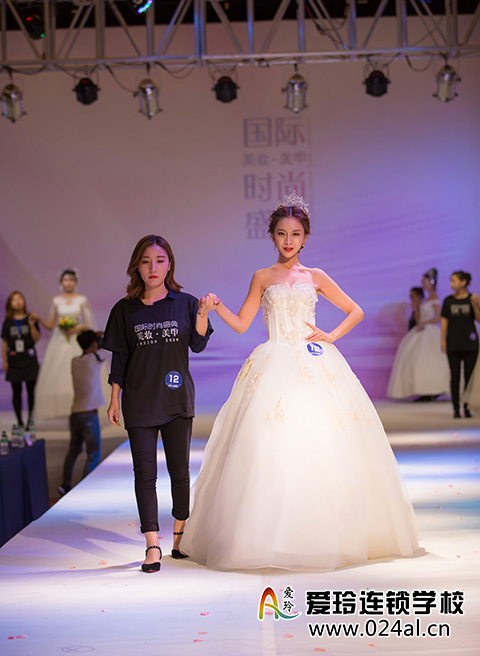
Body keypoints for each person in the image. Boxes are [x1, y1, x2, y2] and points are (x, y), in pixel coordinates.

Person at [180, 192, 420, 571]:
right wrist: (216, 307)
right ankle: (267, 536)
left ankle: (327, 533)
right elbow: (242, 324)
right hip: (273, 361)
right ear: (272, 236)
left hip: (314, 363)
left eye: (295, 234)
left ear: (305, 237)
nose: (288, 240)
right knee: (269, 444)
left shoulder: (316, 277)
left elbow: (355, 310)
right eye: (281, 233)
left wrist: (332, 335)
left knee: (322, 440)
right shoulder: (262, 277)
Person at [102, 235, 214, 573]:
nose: (153, 268)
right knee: (145, 475)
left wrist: (203, 314)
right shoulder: (124, 310)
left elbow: (198, 345)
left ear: (170, 265)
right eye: (146, 261)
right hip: (139, 401)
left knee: (180, 472)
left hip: (177, 399)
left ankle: (179, 536)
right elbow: (120, 358)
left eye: (160, 261)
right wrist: (114, 398)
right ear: (136, 266)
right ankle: (152, 543)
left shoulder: (186, 303)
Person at [32, 269, 93, 420]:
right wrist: (38, 319)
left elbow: (88, 324)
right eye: (65, 280)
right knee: (58, 374)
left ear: (75, 282)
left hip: (76, 339)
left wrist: (74, 329)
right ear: (61, 282)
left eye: (71, 280)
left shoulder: (81, 299)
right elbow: (50, 325)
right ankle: (62, 408)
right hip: (59, 339)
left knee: (78, 372)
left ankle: (79, 407)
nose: (68, 283)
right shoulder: (56, 300)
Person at [387, 270, 449, 401]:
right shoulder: (425, 300)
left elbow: (440, 316)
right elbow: (419, 319)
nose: (423, 284)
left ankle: (433, 389)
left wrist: (425, 322)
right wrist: (416, 309)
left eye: (425, 281)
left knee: (431, 358)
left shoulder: (435, 298)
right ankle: (424, 390)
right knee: (417, 357)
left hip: (430, 330)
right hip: (421, 329)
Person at [58, 330, 105, 496]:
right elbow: (109, 345)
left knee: (73, 451)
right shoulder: (95, 358)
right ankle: (84, 489)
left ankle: (65, 484)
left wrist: (93, 337)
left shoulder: (75, 361)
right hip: (89, 415)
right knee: (93, 455)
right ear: (94, 344)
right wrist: (102, 335)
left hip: (75, 414)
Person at [441, 271, 480, 418]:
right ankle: (456, 408)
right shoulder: (448, 301)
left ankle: (467, 406)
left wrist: (475, 307)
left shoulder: (472, 298)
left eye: (454, 280)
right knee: (455, 376)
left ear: (463, 282)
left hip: (470, 343)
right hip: (453, 343)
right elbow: (444, 321)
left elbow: (478, 319)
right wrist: (442, 339)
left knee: (469, 377)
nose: (451, 284)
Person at [1, 291, 40, 429]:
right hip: (14, 359)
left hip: (29, 358)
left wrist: (31, 325)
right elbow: (4, 342)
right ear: (10, 303)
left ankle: (30, 420)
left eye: (20, 299)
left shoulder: (31, 318)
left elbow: (36, 339)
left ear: (24, 301)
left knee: (31, 391)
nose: (18, 302)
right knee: (16, 392)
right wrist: (4, 361)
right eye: (14, 299)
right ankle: (19, 422)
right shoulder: (7, 322)